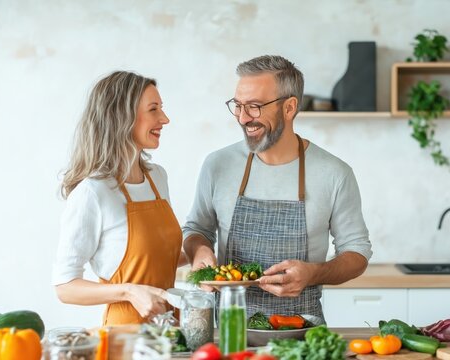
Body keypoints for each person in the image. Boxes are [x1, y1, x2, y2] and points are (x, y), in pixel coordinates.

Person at [182, 55, 372, 319]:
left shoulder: (334, 173)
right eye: (238, 105)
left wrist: (314, 273)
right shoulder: (217, 165)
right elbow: (196, 230)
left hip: (301, 335)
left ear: (290, 107)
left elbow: (357, 253)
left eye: (255, 106)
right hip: (230, 332)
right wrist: (200, 251)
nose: (243, 118)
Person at [53, 71, 186, 325]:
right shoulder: (92, 192)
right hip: (125, 339)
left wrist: (199, 251)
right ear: (121, 116)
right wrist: (128, 291)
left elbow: (155, 259)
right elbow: (65, 287)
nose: (164, 119)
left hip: (171, 332)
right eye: (153, 109)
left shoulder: (158, 178)